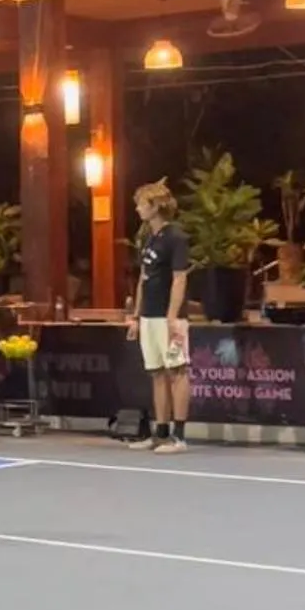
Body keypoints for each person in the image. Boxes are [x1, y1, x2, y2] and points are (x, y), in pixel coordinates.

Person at [127, 180, 191, 454]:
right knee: (156, 373)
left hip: (169, 318)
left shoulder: (177, 237)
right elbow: (143, 279)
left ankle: (179, 437)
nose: (138, 208)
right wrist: (135, 317)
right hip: (149, 317)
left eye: (142, 203)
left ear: (155, 206)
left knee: (177, 371)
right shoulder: (148, 238)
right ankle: (161, 432)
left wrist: (172, 317)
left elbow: (179, 279)